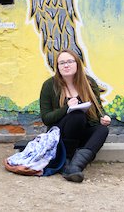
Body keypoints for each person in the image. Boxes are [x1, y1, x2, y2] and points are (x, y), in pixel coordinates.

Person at [39, 50, 111, 182]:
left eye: (70, 62)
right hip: (60, 135)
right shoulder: (49, 85)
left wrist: (104, 117)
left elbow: (98, 109)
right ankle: (65, 160)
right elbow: (46, 118)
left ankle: (75, 166)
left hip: (82, 133)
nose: (66, 65)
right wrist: (67, 108)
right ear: (57, 67)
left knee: (102, 130)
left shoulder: (89, 83)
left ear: (77, 64)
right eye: (62, 63)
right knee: (77, 116)